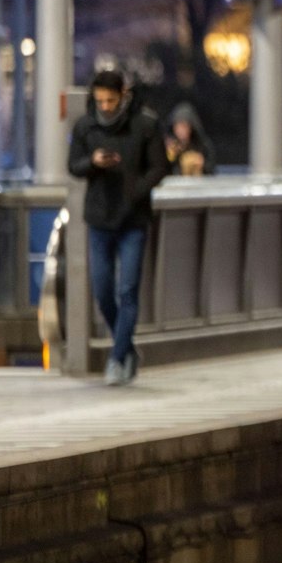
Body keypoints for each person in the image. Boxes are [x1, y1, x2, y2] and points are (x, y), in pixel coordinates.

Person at [67, 69, 169, 385]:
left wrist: (135, 191)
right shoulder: (86, 126)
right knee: (103, 291)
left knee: (128, 290)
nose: (106, 106)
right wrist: (93, 163)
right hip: (99, 217)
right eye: (100, 100)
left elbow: (160, 167)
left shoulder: (146, 125)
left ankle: (116, 358)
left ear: (123, 95)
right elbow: (73, 166)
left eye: (111, 100)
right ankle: (127, 350)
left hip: (133, 219)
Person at [165, 102, 215, 176]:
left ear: (191, 127)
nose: (180, 130)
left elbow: (210, 167)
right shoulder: (169, 145)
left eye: (184, 126)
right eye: (177, 126)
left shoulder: (202, 145)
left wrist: (201, 164)